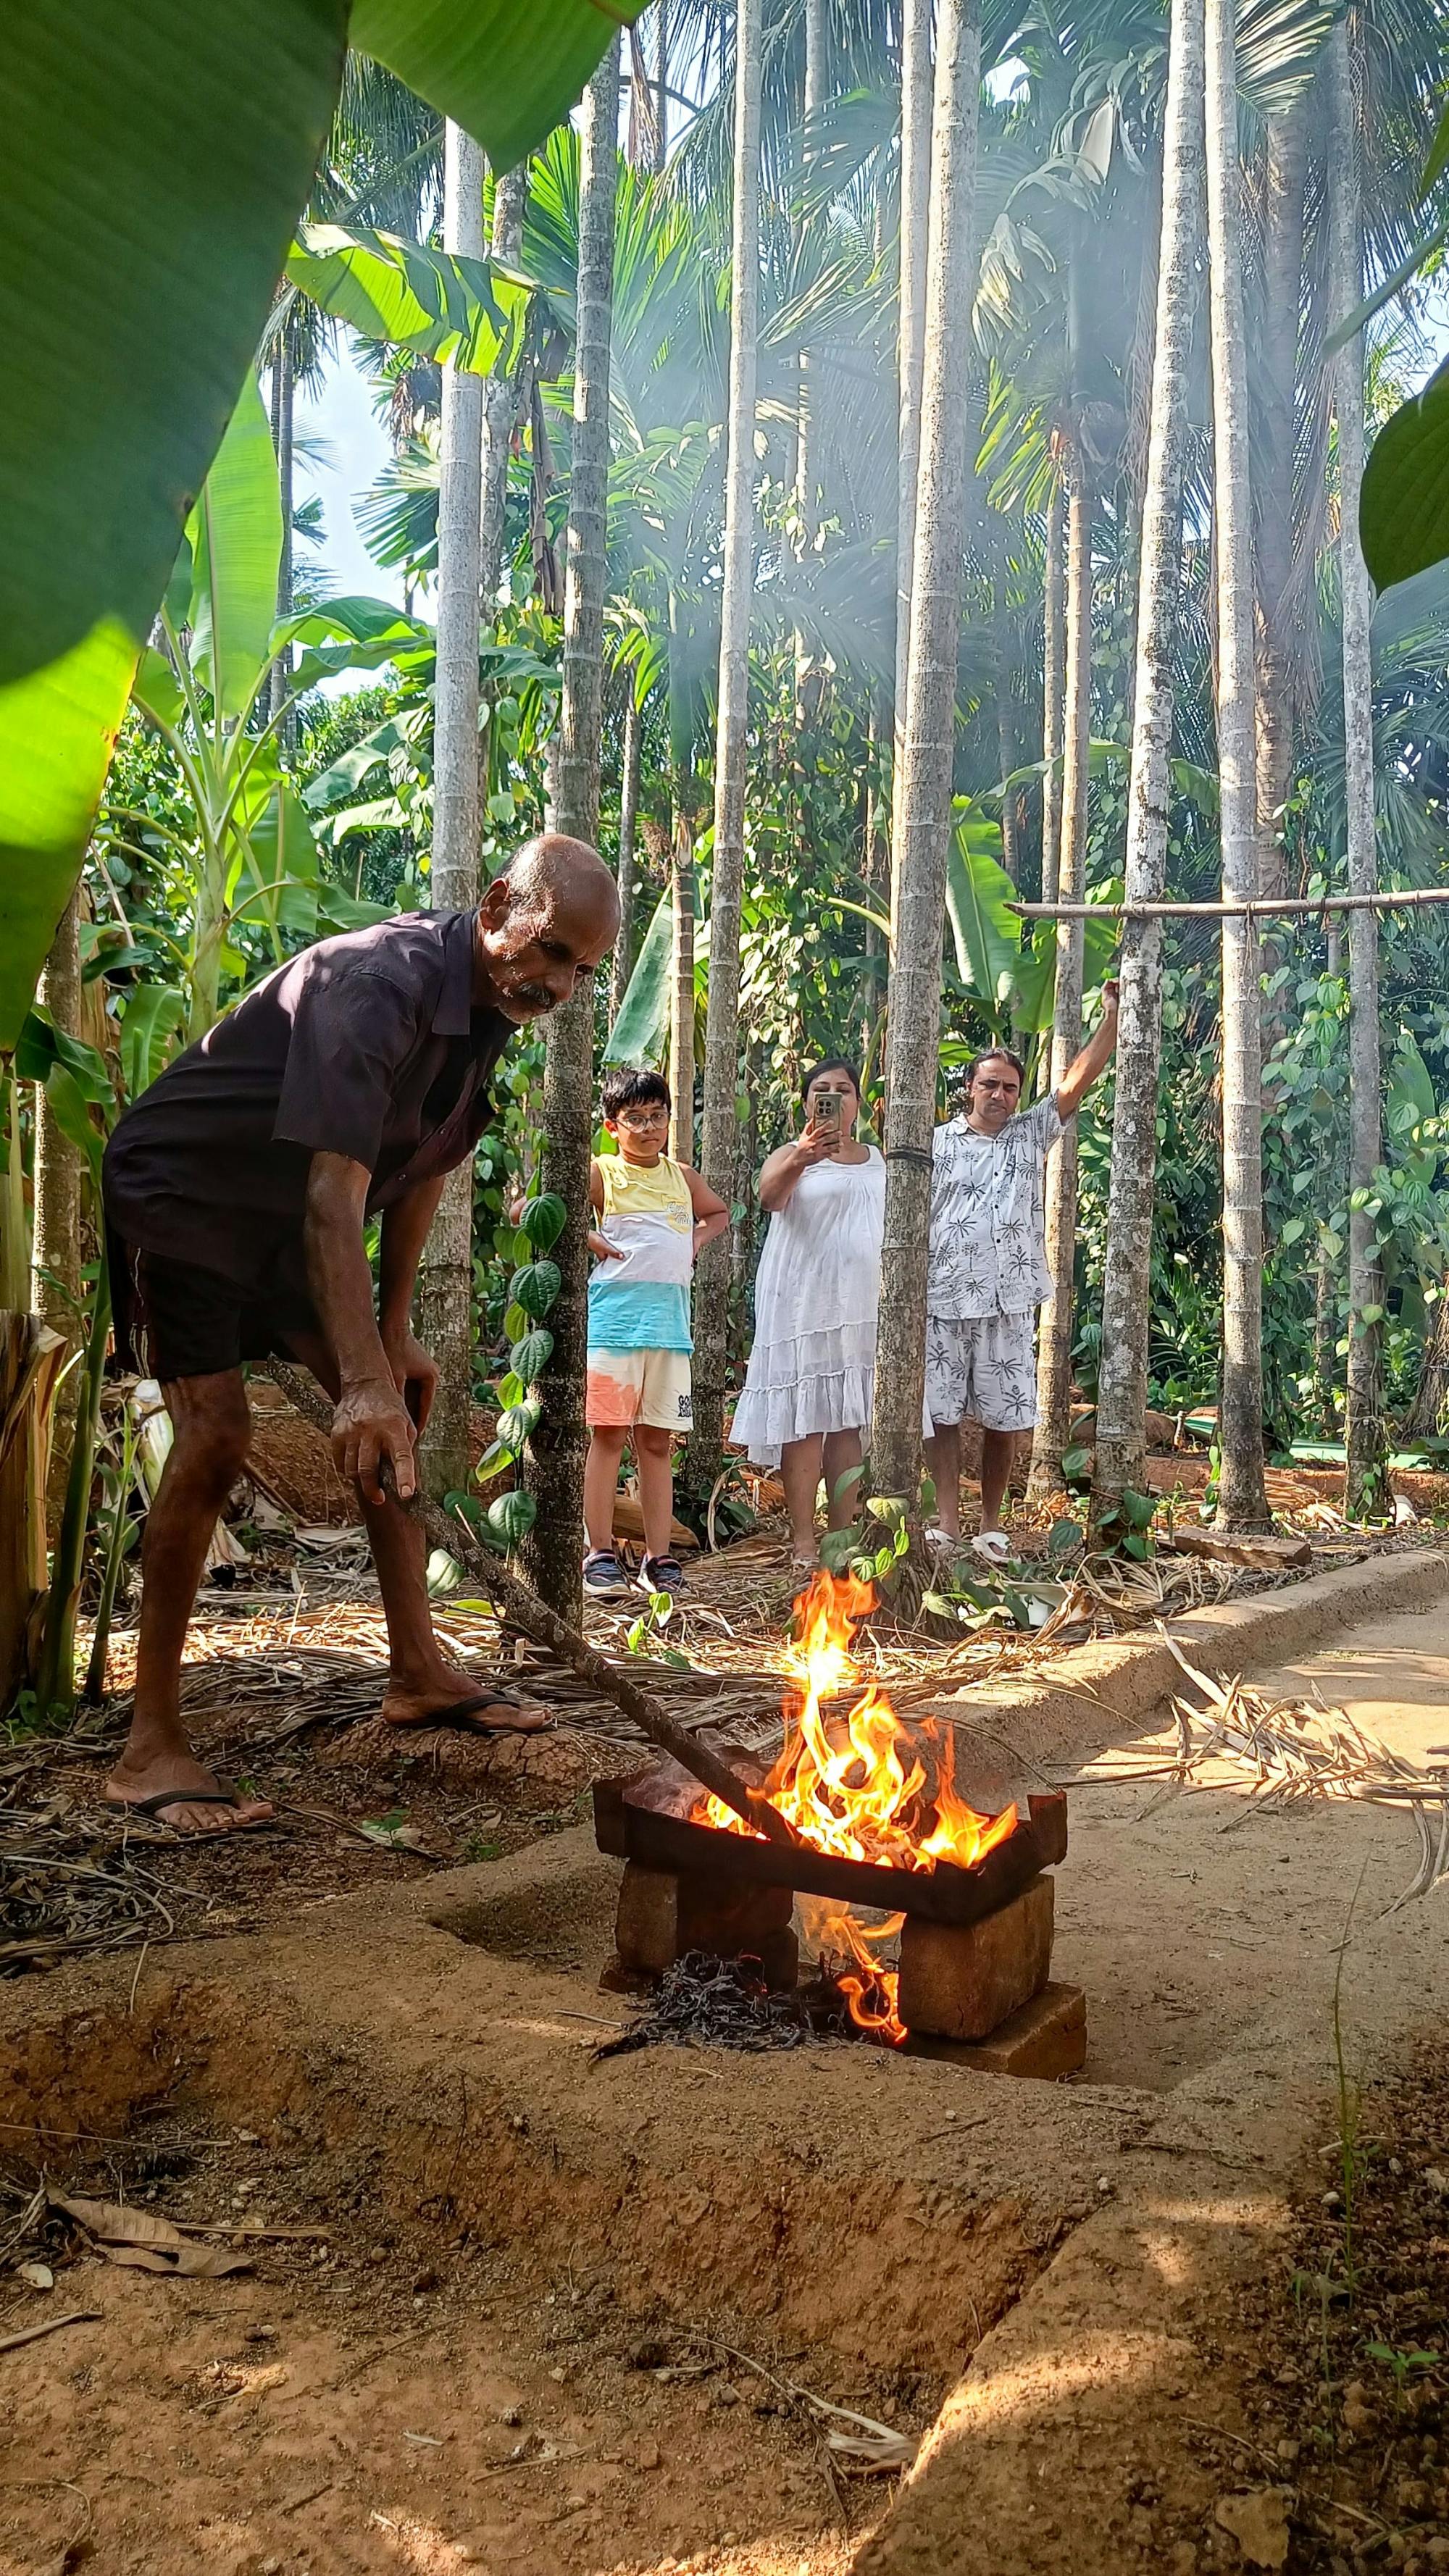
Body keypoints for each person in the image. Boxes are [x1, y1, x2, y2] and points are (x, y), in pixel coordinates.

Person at [101, 835, 619, 1834]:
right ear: (498, 905)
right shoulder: (377, 985)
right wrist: (360, 1380)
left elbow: (426, 1161)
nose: (560, 986)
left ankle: (417, 1670)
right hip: (187, 1195)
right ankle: (148, 1744)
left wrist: (390, 1336)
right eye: (553, 952)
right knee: (216, 1437)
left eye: (583, 972)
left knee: (395, 1421)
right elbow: (332, 1198)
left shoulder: (492, 1005)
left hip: (285, 1218)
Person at [924, 984, 1120, 1562]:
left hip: (1009, 1300)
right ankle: (946, 1522)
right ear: (969, 1088)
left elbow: (1076, 1082)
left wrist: (1111, 1017)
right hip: (942, 1295)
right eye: (989, 1084)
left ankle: (991, 1527)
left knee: (1003, 1418)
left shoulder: (1031, 1133)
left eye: (1010, 1087)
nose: (1000, 1095)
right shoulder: (935, 1143)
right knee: (941, 1414)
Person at [731, 1058, 889, 1568]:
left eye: (844, 1089)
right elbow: (769, 1197)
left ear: (857, 1104)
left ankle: (840, 1538)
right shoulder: (789, 1153)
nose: (833, 1097)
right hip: (801, 1301)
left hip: (858, 1304)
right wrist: (802, 1156)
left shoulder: (879, 1160)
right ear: (806, 1104)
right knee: (804, 1418)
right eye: (822, 1089)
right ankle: (803, 1539)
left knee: (847, 1420)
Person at [581, 1068, 729, 1603]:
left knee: (657, 1442)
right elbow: (528, 1208)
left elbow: (719, 1213)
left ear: (669, 1119)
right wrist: (588, 1236)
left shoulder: (682, 1177)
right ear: (612, 1127)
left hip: (670, 1332)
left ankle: (658, 1558)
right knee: (608, 1437)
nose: (648, 1128)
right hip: (614, 1329)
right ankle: (599, 1554)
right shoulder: (602, 1172)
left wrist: (695, 1240)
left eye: (657, 1116)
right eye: (635, 1119)